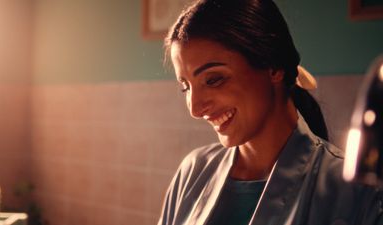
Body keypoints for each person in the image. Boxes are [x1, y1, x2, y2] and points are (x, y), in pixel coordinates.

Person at [157, 0, 383, 224]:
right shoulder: (192, 172)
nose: (195, 109)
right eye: (185, 86)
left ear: (274, 66)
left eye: (214, 80)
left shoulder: (356, 192)